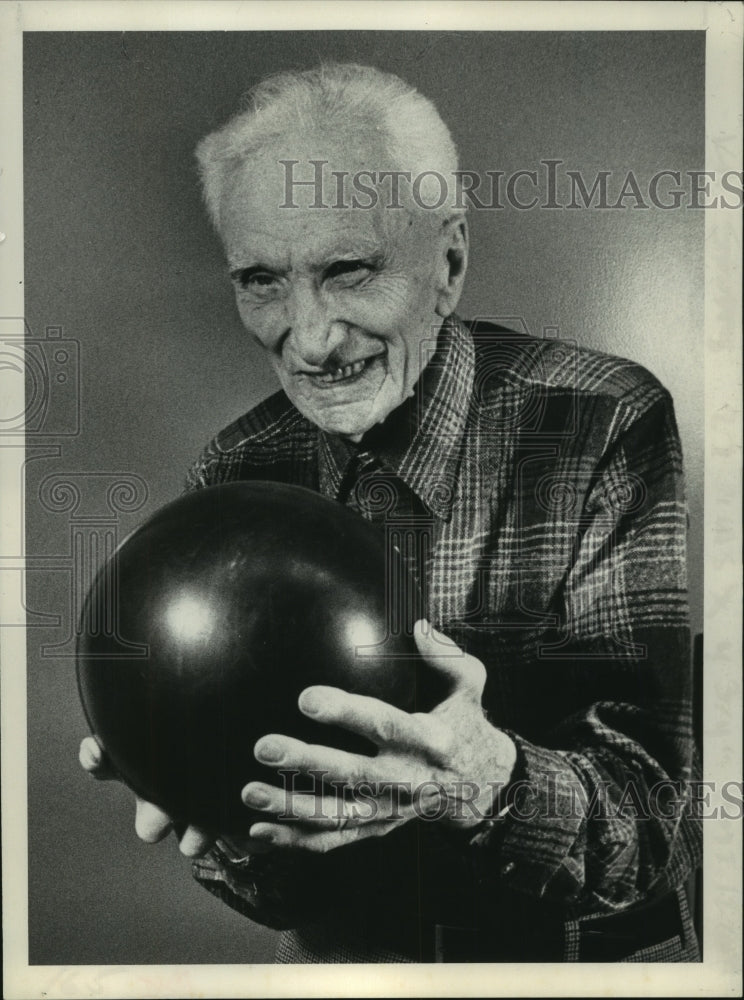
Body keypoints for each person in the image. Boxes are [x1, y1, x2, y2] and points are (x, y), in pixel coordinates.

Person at [79, 62, 701, 963]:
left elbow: (649, 831)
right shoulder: (239, 469)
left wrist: (481, 782)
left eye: (348, 270)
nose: (312, 336)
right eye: (261, 280)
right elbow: (277, 882)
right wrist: (216, 820)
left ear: (448, 262)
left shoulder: (601, 420)